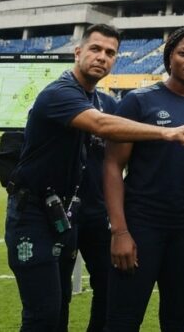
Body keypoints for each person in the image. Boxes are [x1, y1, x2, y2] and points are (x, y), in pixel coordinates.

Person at [4, 24, 184, 331]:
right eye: (95, 49)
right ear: (78, 52)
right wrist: (166, 131)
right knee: (46, 312)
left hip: (81, 214)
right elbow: (100, 125)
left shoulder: (108, 102)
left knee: (112, 293)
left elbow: (116, 160)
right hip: (35, 212)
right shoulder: (58, 94)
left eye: (110, 52)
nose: (102, 57)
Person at [104, 26, 184, 331]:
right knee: (123, 318)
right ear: (169, 57)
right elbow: (112, 166)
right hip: (142, 226)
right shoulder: (138, 102)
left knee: (179, 319)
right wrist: (120, 232)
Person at [76, 113, 116, 332]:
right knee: (56, 294)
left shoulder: (109, 105)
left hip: (98, 213)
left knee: (108, 285)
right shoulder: (58, 95)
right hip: (56, 214)